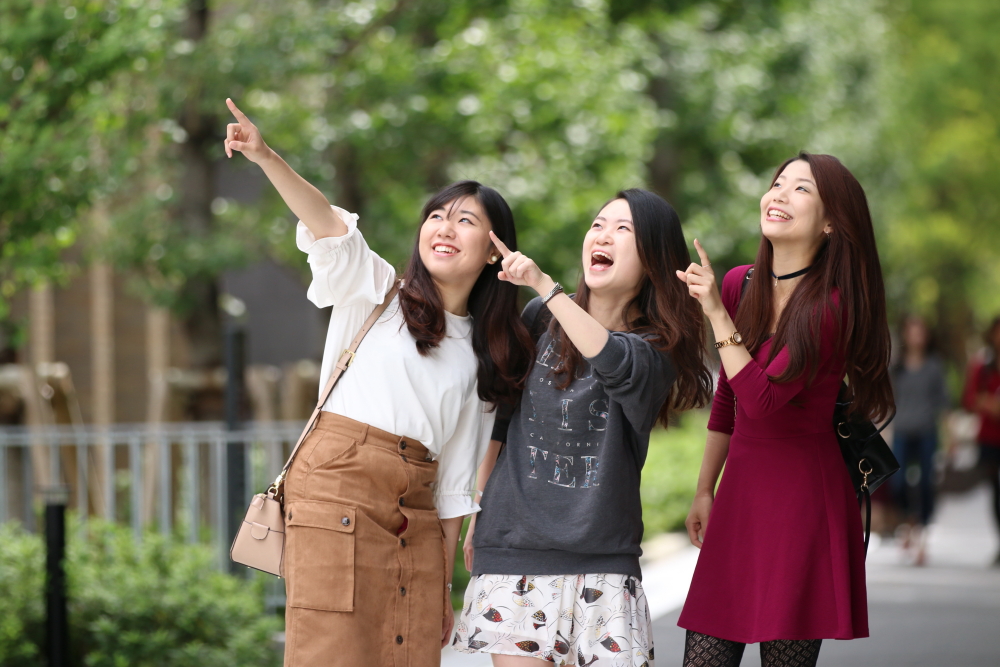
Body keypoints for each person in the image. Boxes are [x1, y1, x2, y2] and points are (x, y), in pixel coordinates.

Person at [222, 98, 534, 666]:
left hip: (414, 514)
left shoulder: (485, 352)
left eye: (466, 220)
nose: (445, 228)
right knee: (329, 652)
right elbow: (327, 226)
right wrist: (266, 157)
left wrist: (444, 585)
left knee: (408, 654)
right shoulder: (376, 289)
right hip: (336, 491)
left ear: (495, 252)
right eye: (437, 215)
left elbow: (454, 483)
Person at [454, 189, 713, 666]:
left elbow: (613, 359)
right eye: (598, 224)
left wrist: (544, 286)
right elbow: (503, 422)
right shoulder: (538, 317)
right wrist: (479, 511)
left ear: (652, 259)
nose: (603, 235)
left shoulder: (656, 348)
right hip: (514, 552)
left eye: (623, 229)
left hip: (602, 563)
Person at [675, 152, 894, 667]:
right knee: (704, 656)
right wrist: (705, 489)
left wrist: (715, 313)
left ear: (831, 222)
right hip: (741, 496)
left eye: (801, 189)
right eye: (778, 183)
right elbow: (729, 397)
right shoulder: (739, 283)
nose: (780, 194)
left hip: (802, 503)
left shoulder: (830, 307)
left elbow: (762, 399)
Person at [890, 315, 949, 565]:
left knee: (926, 483)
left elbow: (943, 404)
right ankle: (908, 522)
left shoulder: (934, 366)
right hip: (902, 431)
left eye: (920, 331)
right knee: (898, 482)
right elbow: (886, 402)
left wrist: (950, 438)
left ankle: (922, 535)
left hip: (926, 431)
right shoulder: (897, 367)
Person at [962, 316, 1000, 566]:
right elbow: (969, 399)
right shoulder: (983, 366)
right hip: (990, 438)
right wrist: (988, 404)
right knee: (996, 491)